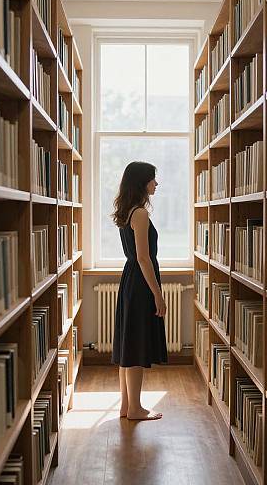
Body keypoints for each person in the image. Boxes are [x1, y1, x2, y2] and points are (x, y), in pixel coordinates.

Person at [111, 161, 168, 421]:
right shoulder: (141, 214)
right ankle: (135, 408)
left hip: (130, 280)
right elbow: (144, 258)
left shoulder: (128, 211)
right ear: (142, 182)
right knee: (136, 345)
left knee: (128, 343)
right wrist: (157, 293)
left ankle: (127, 406)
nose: (156, 183)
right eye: (153, 179)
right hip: (141, 282)